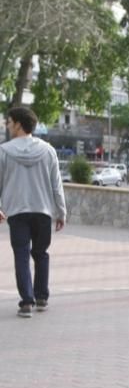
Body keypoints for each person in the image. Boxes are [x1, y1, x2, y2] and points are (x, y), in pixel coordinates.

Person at [0, 107, 67, 318]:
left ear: (19, 124)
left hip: (17, 211)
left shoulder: (4, 151)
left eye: (9, 122)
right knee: (41, 253)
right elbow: (56, 185)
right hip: (43, 211)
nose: (8, 126)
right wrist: (61, 212)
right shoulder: (48, 151)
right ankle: (41, 297)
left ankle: (26, 302)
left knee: (21, 254)